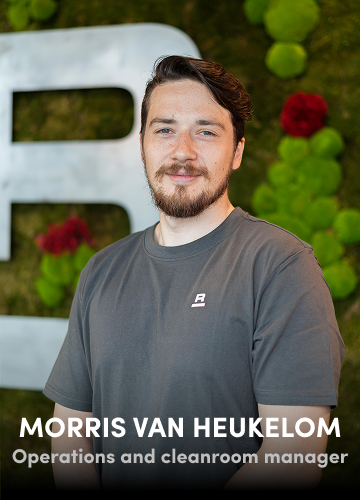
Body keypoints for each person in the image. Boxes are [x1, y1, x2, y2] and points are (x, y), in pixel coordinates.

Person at [43, 55, 345, 490]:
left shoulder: (280, 266)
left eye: (206, 131)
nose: (182, 151)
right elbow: (70, 432)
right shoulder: (101, 271)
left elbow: (292, 457)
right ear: (143, 144)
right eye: (164, 129)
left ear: (237, 152)